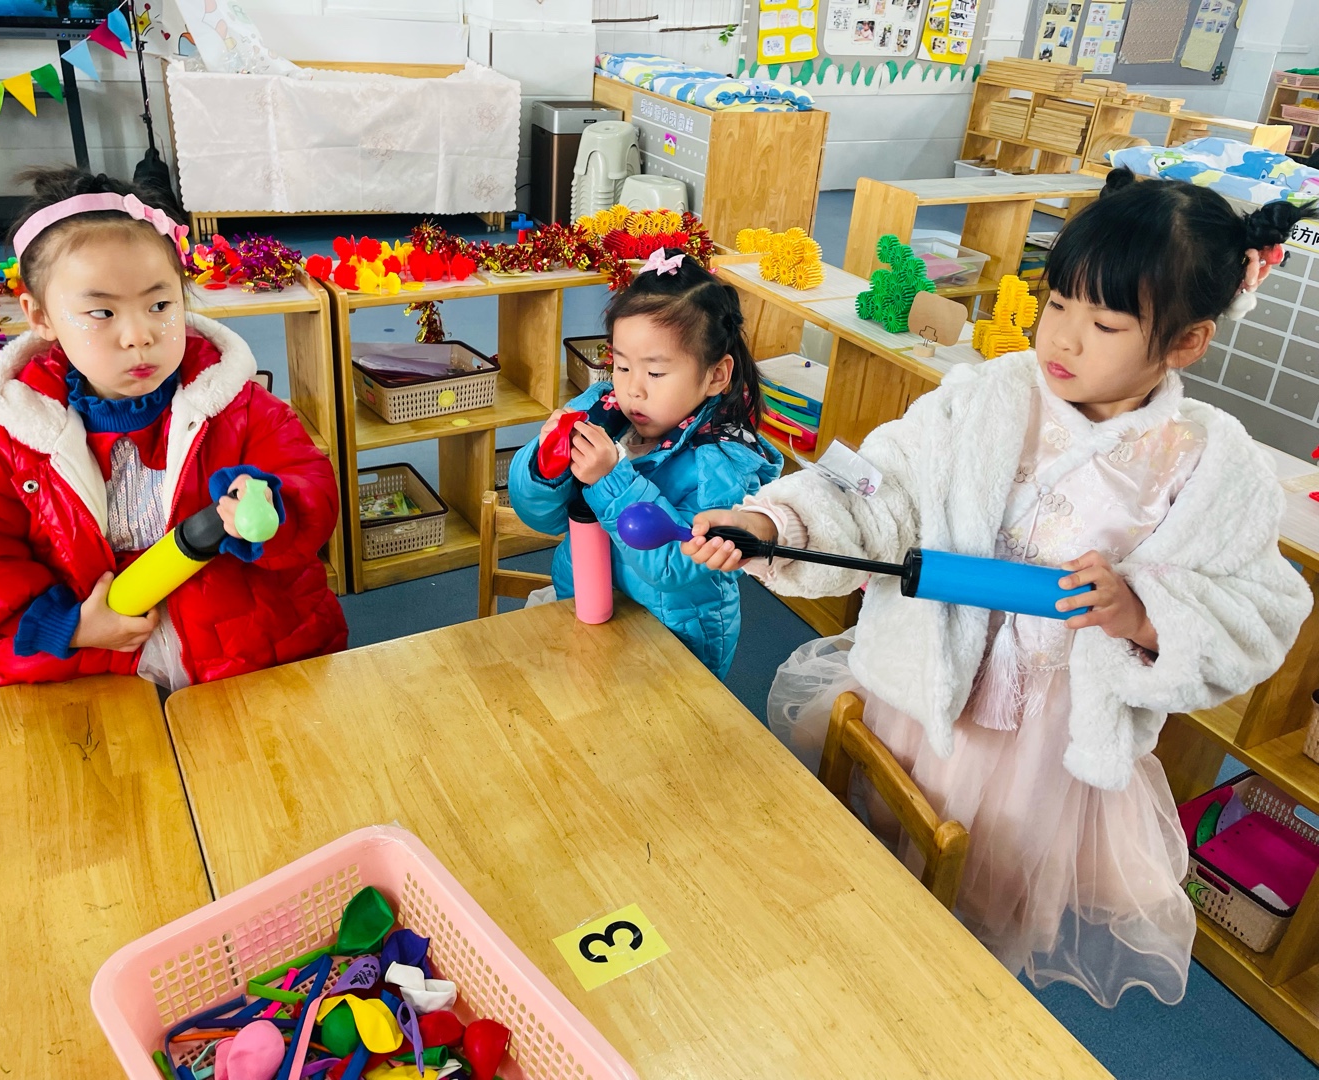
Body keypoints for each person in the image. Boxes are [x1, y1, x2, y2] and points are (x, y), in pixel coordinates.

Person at [682, 169, 1314, 1005]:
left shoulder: (1209, 465)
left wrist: (1141, 613)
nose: (1065, 340)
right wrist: (775, 522)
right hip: (920, 695)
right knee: (860, 858)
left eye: (1105, 324)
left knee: (967, 922)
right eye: (1058, 304)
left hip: (1035, 751)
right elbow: (882, 486)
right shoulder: (988, 397)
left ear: (1187, 342)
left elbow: (1260, 613)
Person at [0, 167, 347, 690]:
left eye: (160, 305)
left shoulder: (237, 406)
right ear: (41, 316)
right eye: (102, 312)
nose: (139, 335)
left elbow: (309, 481)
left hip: (243, 645)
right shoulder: (13, 437)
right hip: (89, 660)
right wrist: (67, 624)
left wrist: (273, 508)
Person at [507, 248, 781, 677]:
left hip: (672, 640)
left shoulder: (723, 460)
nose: (633, 389)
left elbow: (675, 566)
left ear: (716, 375)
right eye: (620, 366)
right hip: (587, 604)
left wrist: (609, 479)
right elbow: (541, 517)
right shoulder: (603, 412)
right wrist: (545, 466)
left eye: (655, 373)